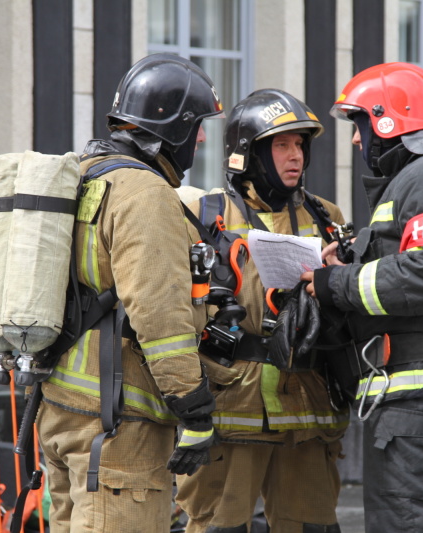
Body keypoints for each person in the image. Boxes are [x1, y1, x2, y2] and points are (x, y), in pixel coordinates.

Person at [301, 62, 423, 533]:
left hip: (421, 403)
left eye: (359, 124)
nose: (355, 140)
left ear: (388, 121)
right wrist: (352, 262)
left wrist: (336, 284)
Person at [35, 53, 224, 532]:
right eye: (197, 125)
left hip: (60, 411)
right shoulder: (144, 192)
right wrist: (195, 410)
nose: (202, 137)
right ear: (173, 128)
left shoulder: (83, 175)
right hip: (120, 429)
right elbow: (160, 317)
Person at [176, 88, 350, 533]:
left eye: (300, 145)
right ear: (246, 153)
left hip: (310, 411)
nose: (295, 156)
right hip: (234, 409)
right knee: (218, 526)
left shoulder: (326, 217)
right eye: (281, 145)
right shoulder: (202, 213)